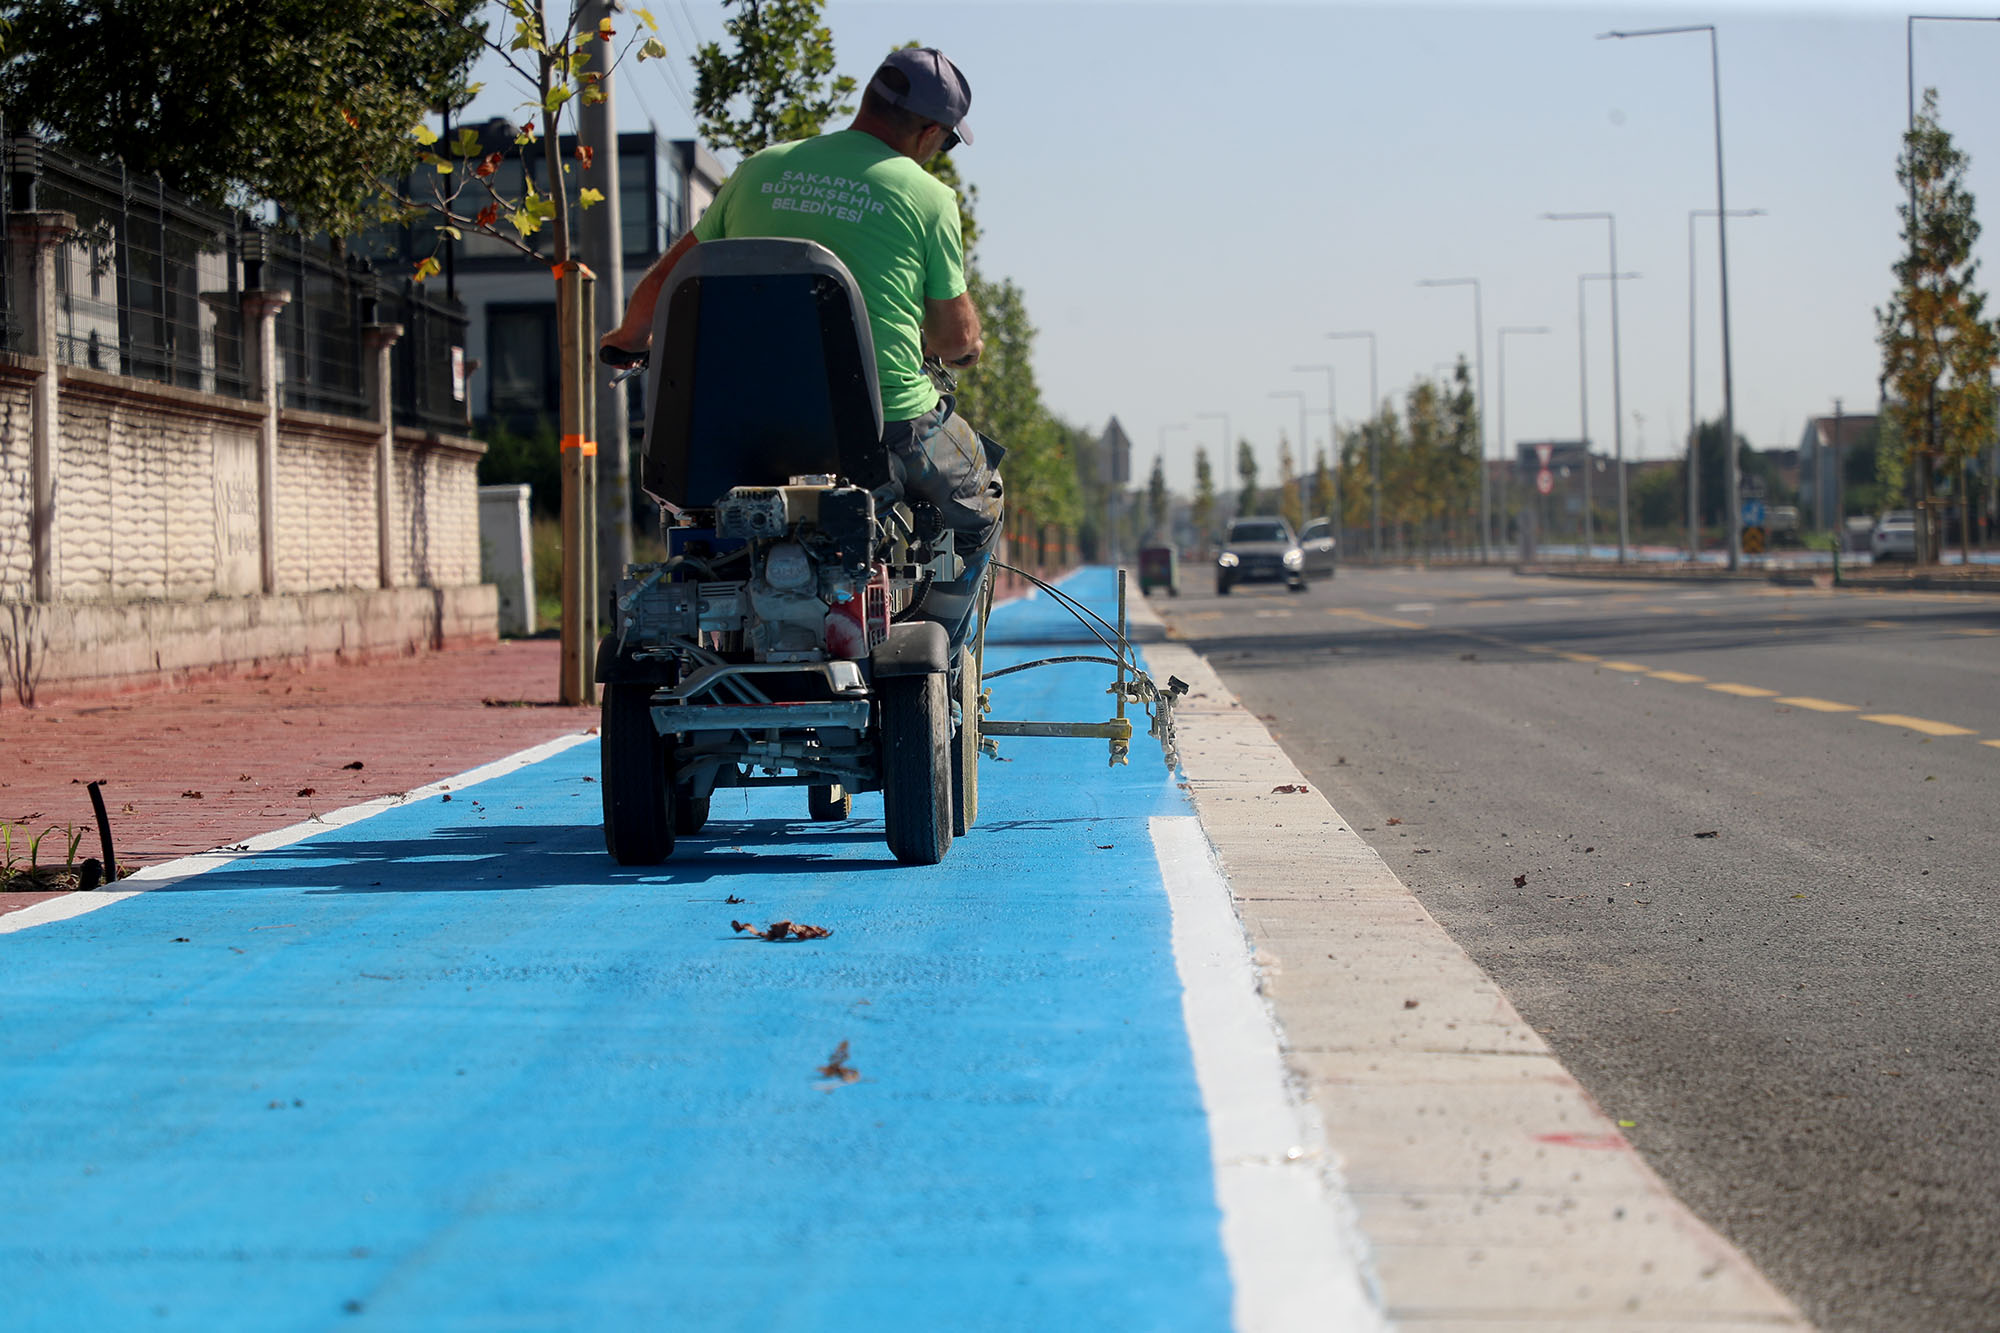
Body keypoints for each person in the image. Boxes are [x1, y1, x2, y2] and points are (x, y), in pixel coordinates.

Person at [603, 46, 1001, 651]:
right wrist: (965, 348)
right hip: (881, 427)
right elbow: (954, 339)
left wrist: (628, 340)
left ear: (867, 101)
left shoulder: (760, 169)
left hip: (736, 433)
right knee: (978, 502)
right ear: (927, 132)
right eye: (944, 142)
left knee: (700, 533)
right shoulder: (928, 198)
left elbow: (664, 282)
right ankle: (939, 648)